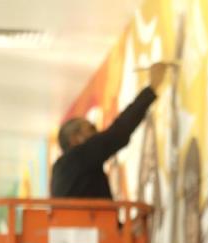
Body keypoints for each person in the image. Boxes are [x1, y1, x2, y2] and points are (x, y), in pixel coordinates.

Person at [51, 62, 173, 199]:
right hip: (92, 221)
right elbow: (118, 132)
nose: (97, 134)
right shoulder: (77, 158)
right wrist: (152, 88)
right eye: (91, 129)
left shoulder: (63, 168)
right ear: (74, 139)